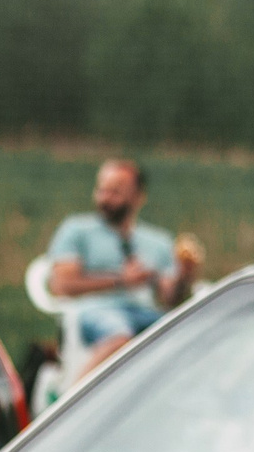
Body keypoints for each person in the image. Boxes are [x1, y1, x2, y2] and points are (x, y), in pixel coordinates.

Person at [45, 159, 204, 373]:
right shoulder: (77, 230)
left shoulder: (158, 241)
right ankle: (77, 399)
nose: (105, 198)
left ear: (138, 197)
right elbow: (62, 285)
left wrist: (185, 276)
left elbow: (171, 300)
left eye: (115, 192)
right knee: (119, 336)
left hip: (145, 311)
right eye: (102, 190)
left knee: (190, 335)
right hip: (94, 310)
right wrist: (121, 280)